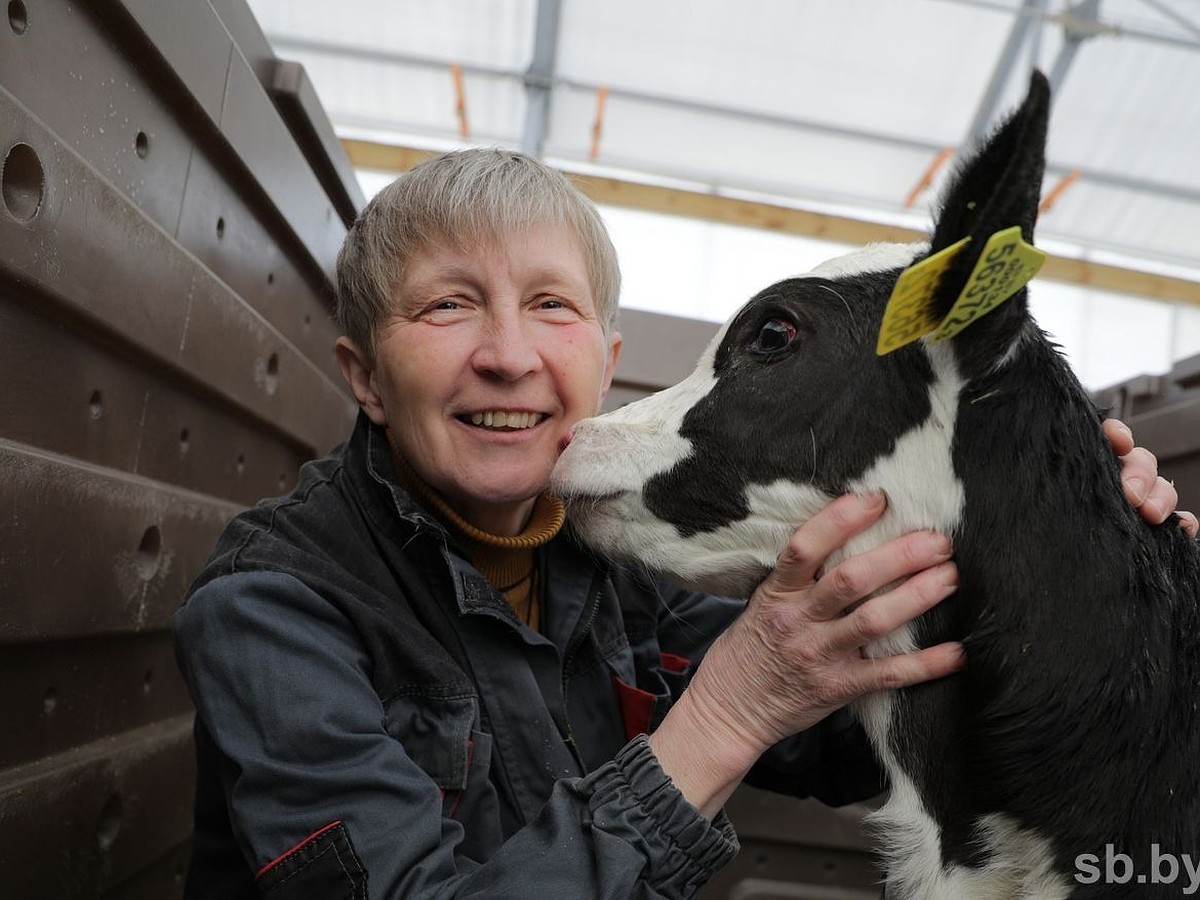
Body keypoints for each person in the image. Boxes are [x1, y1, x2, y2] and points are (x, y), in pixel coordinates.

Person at [173, 148, 1195, 899]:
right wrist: (726, 715)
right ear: (366, 379)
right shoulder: (274, 606)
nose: (508, 355)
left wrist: (1076, 566)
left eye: (551, 307)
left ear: (606, 360)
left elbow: (846, 726)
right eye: (447, 308)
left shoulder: (622, 559)